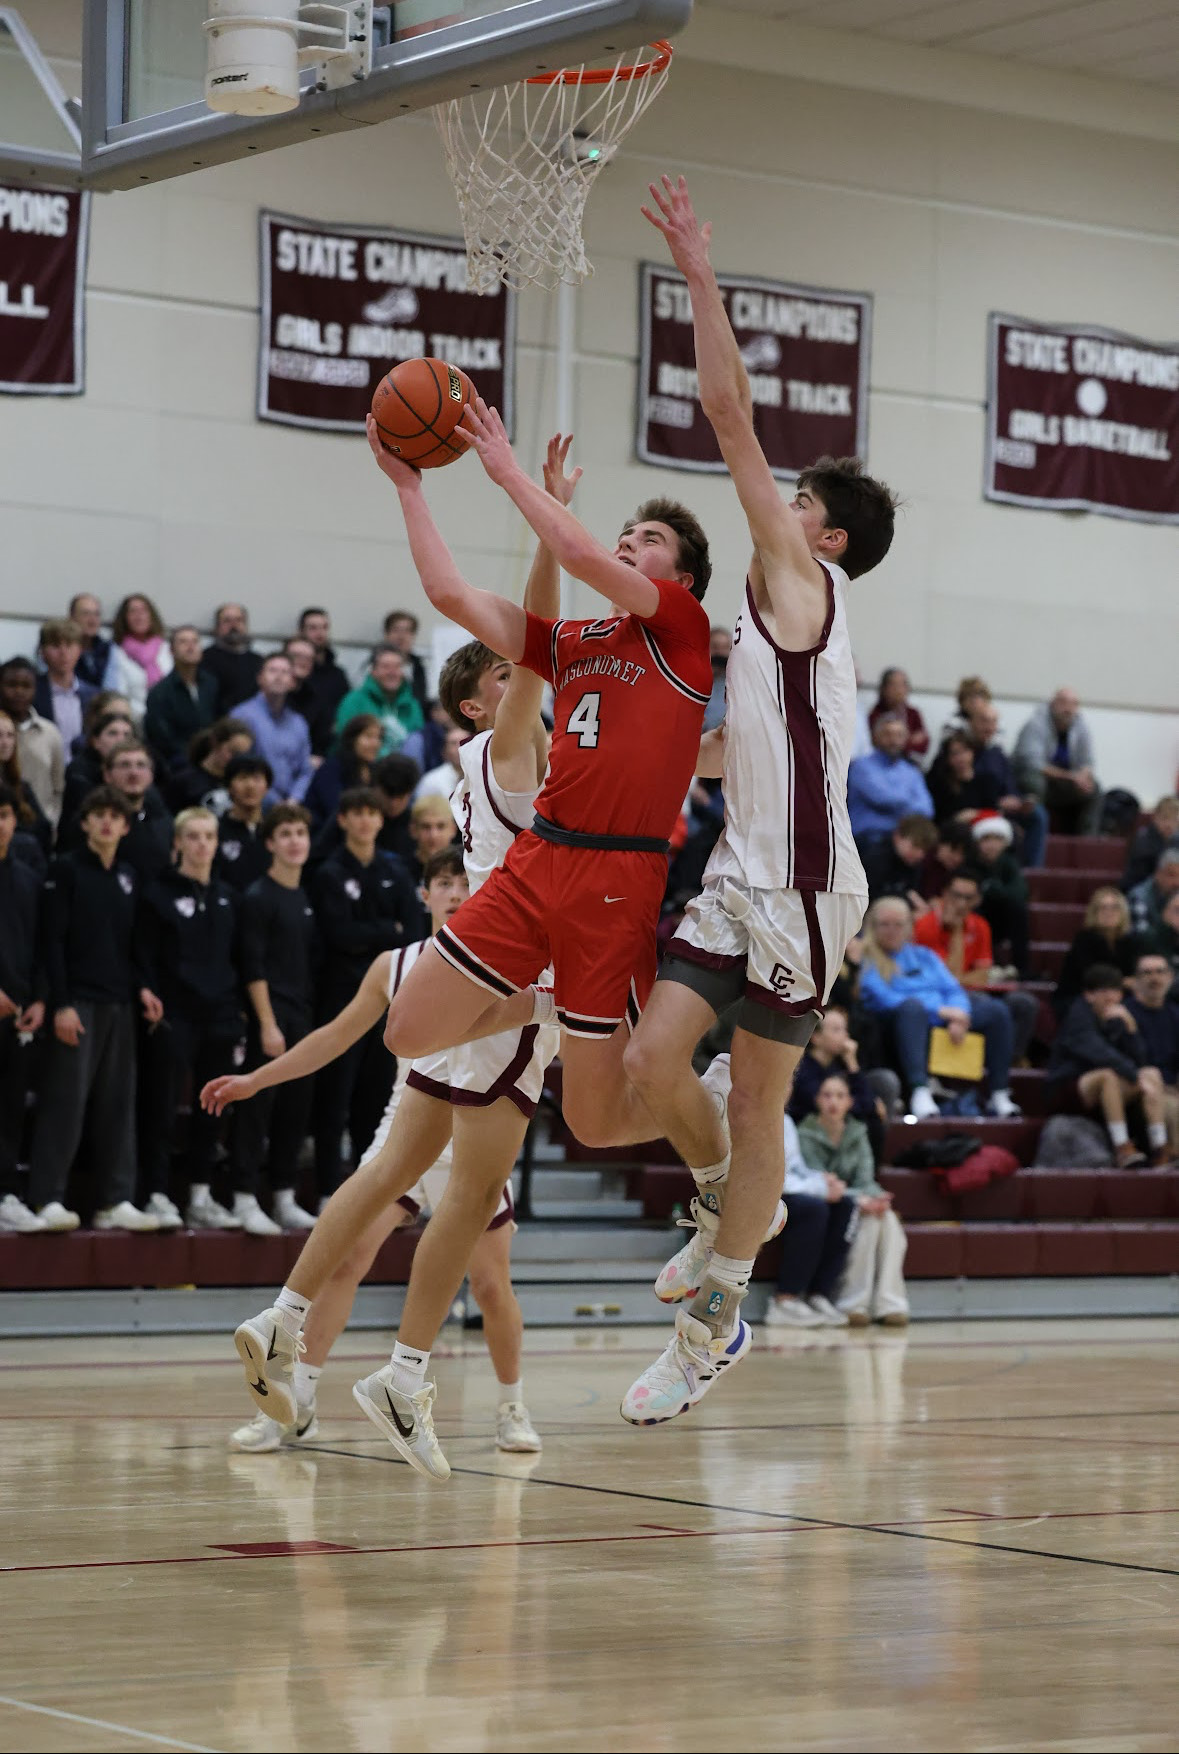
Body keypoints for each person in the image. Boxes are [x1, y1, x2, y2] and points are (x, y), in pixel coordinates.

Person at [211, 449, 573, 1474]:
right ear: (476, 705)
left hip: (466, 960)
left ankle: (287, 1317)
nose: (522, 675)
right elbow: (539, 644)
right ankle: (407, 1371)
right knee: (469, 1195)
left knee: (388, 1176)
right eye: (503, 676)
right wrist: (550, 525)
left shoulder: (468, 767)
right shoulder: (507, 748)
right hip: (510, 969)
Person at [616, 175, 898, 1423]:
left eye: (800, 504)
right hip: (741, 870)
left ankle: (719, 1316)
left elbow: (728, 412)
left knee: (764, 1092)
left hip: (805, 884)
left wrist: (694, 265)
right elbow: (735, 753)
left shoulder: (800, 579)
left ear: (823, 538)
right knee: (651, 1058)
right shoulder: (771, 623)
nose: (776, 504)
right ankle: (734, 1187)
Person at [28, 787, 163, 1232]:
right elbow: (52, 942)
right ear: (84, 823)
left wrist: (144, 988)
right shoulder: (65, 869)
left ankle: (115, 1200)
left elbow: (133, 943)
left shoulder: (128, 874)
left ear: (126, 826)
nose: (107, 823)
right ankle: (47, 1197)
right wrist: (61, 1003)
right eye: (98, 815)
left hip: (119, 1003)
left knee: (118, 1105)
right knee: (64, 1102)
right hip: (78, 1003)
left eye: (115, 817)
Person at [310, 786, 420, 1199]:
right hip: (341, 996)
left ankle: (366, 1194)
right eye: (355, 813)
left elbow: (409, 933)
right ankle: (326, 1191)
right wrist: (382, 932)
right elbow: (338, 935)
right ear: (342, 820)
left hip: (389, 1001)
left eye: (371, 813)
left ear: (381, 819)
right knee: (334, 1100)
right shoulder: (329, 872)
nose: (364, 820)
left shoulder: (395, 870)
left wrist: (373, 935)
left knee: (374, 1101)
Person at [137, 808, 245, 1229]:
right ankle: (156, 1193)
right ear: (178, 842)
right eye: (194, 837)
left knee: (214, 1106)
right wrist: (145, 989)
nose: (202, 844)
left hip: (220, 1015)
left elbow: (239, 959)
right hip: (173, 1014)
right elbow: (143, 955)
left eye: (209, 837)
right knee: (161, 1106)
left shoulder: (228, 897)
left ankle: (201, 1193)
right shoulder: (156, 894)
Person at [227, 804, 321, 1235]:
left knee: (295, 1108)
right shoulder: (257, 897)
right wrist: (266, 1023)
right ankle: (244, 1197)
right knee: (257, 1107)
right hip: (271, 1017)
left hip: (303, 1016)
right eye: (285, 833)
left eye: (300, 832)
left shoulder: (304, 896)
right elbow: (253, 966)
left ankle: (283, 1196)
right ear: (269, 843)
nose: (295, 841)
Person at [857, 896, 1020, 1119]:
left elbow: (953, 989)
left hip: (943, 1016)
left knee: (996, 1010)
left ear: (908, 927)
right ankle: (919, 1090)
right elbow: (884, 998)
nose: (892, 930)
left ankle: (999, 1093)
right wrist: (941, 1011)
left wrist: (960, 1015)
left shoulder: (924, 956)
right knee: (912, 1008)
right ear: (873, 927)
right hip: (901, 1022)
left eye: (898, 924)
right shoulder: (867, 960)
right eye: (885, 924)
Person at [762, 1070, 860, 1329]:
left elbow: (795, 1168)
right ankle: (785, 1299)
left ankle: (818, 1294)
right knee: (814, 1208)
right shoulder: (753, 1120)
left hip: (785, 1192)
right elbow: (772, 1178)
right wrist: (819, 1188)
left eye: (788, 1084)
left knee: (845, 1205)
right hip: (755, 1196)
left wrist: (823, 1179)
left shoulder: (786, 1121)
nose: (785, 1090)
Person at [1047, 962, 1169, 1169]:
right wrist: (1135, 1076)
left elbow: (1141, 1061)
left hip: (1108, 1089)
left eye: (1114, 991)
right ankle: (1122, 1147)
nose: (1110, 997)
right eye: (1103, 992)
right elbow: (1099, 1054)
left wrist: (1130, 1028)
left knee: (1152, 1073)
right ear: (1089, 995)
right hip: (1069, 1085)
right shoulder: (1078, 1016)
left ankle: (1161, 1149)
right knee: (1109, 1075)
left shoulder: (1119, 1016)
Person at [912, 868, 1038, 1061]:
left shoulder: (980, 925)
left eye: (968, 897)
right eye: (956, 896)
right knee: (989, 1006)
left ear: (977, 900)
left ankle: (1010, 1061)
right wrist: (955, 932)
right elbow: (947, 980)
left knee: (1024, 1003)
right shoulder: (925, 926)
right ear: (944, 893)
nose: (961, 903)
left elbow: (983, 974)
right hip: (938, 996)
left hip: (973, 991)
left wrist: (961, 977)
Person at [0, 785, 47, 1234]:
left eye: (4, 815)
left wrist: (39, 998)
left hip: (18, 1015)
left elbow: (42, 946)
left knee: (12, 1105)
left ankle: (7, 1193)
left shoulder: (30, 880)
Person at [787, 1004, 899, 1166]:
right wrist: (869, 1104)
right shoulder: (803, 1070)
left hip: (837, 1130)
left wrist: (852, 1063)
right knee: (867, 1121)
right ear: (816, 1037)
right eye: (836, 1030)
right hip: (808, 1135)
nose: (845, 1036)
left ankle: (868, 1175)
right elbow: (835, 1107)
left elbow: (863, 1103)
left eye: (845, 1029)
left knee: (875, 1108)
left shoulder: (839, 1064)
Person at [963, 698, 1048, 868]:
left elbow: (1010, 784)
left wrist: (1019, 801)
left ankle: (1033, 871)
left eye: (993, 721)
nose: (989, 726)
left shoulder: (997, 753)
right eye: (984, 720)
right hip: (979, 808)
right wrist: (998, 804)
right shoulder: (963, 750)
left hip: (1005, 809)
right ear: (971, 722)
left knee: (1038, 814)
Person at [1014, 687, 1101, 836]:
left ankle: (1087, 842)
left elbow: (1087, 761)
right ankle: (1036, 833)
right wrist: (1072, 777)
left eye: (1074, 704)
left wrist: (1082, 776)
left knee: (1094, 788)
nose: (1068, 709)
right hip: (1035, 779)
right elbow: (1034, 764)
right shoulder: (1035, 724)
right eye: (1063, 703)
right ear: (1053, 704)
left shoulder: (1081, 725)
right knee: (1035, 782)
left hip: (1063, 781)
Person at [1052, 885, 1147, 1017]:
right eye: (1103, 908)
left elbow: (1136, 976)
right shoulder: (1083, 939)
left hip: (1119, 998)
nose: (1109, 912)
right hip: (1081, 998)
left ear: (1123, 913)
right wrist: (1124, 981)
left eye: (1115, 907)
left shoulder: (1130, 942)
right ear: (1094, 913)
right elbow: (1091, 976)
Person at [234, 653, 313, 803]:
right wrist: (274, 803)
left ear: (292, 682)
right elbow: (240, 768)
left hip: (290, 805)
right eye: (272, 670)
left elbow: (305, 770)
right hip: (252, 802)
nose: (279, 677)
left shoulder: (298, 723)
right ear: (260, 678)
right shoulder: (242, 717)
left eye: (285, 672)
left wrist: (294, 799)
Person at [847, 711, 934, 845]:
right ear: (875, 737)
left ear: (906, 738)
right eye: (887, 734)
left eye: (899, 735)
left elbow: (927, 809)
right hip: (868, 840)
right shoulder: (861, 767)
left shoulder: (911, 771)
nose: (893, 740)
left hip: (903, 843)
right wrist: (910, 803)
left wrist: (899, 805)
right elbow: (883, 798)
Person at [1125, 949, 1179, 1160]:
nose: (1154, 978)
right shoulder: (1125, 1013)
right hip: (1141, 1090)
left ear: (1170, 977)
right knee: (1173, 1107)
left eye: (1159, 972)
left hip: (1172, 1087)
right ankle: (1169, 1158)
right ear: (1135, 981)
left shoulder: (1176, 1014)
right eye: (1146, 973)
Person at [0, 656, 65, 824]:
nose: (19, 691)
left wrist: (51, 820)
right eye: (12, 685)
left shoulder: (50, 732)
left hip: (38, 825)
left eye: (26, 686)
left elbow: (58, 787)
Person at [143, 626, 218, 771]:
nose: (190, 647)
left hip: (213, 758)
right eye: (183, 642)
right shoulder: (160, 692)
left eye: (195, 642)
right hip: (178, 764)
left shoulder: (211, 684)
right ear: (171, 651)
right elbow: (162, 739)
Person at [335, 644, 425, 756]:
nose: (392, 673)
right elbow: (347, 742)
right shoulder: (354, 701)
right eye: (386, 667)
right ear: (373, 671)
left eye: (397, 667)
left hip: (405, 769)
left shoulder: (412, 705)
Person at [967, 815, 1030, 976]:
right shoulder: (970, 864)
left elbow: (1019, 893)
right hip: (976, 917)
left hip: (1002, 919)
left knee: (1018, 909)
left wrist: (993, 889)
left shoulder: (1009, 863)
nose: (992, 845)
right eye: (986, 839)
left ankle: (1022, 967)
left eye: (997, 839)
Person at [61, 708, 136, 829]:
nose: (121, 740)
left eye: (127, 735)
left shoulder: (137, 771)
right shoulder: (79, 773)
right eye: (113, 733)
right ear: (95, 741)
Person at [304, 713, 382, 829]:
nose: (375, 743)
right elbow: (335, 810)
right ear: (352, 739)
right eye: (368, 737)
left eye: (378, 738)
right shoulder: (331, 768)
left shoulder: (374, 770)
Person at [165, 716, 254, 815]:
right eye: (233, 752)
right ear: (215, 743)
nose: (237, 759)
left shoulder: (239, 784)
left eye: (243, 755)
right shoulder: (184, 781)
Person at [34, 619, 98, 753]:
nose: (63, 652)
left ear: (79, 650)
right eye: (55, 645)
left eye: (69, 645)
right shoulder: (33, 692)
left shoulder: (94, 695)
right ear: (42, 651)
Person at [105, 594, 171, 720]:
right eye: (133, 611)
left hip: (169, 718)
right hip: (135, 721)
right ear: (124, 618)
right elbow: (117, 694)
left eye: (143, 610)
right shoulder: (117, 652)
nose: (139, 616)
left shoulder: (166, 648)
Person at [214, 754, 274, 892]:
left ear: (267, 787)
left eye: (257, 779)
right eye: (242, 778)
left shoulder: (275, 830)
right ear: (229, 786)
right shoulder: (215, 831)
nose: (250, 785)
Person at [0, 710, 52, 861]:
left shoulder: (21, 786)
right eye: (0, 735)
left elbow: (43, 827)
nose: (5, 743)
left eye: (10, 736)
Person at [926, 731, 1004, 825]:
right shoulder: (940, 784)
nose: (961, 758)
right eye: (955, 754)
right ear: (948, 759)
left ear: (972, 753)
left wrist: (975, 815)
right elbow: (937, 818)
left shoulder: (987, 780)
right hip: (952, 830)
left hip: (983, 827)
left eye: (965, 751)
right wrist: (957, 819)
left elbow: (994, 812)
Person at [859, 812, 938, 906]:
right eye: (915, 846)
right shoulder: (875, 859)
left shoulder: (915, 865)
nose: (920, 855)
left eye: (924, 851)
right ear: (898, 836)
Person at [199, 603, 261, 715]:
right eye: (227, 621)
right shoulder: (204, 659)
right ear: (217, 627)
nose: (234, 625)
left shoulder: (259, 661)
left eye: (239, 620)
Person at [296, 607, 352, 728]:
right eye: (313, 628)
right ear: (301, 632)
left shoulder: (338, 675)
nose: (320, 633)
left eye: (324, 627)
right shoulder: (295, 673)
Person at [282, 636, 336, 759]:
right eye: (297, 656)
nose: (303, 661)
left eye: (309, 658)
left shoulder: (316, 699)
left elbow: (322, 741)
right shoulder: (271, 695)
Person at [868, 667, 928, 761]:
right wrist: (909, 740)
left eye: (903, 685)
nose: (899, 690)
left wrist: (897, 742)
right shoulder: (875, 714)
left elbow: (923, 745)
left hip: (910, 763)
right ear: (884, 689)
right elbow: (877, 744)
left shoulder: (913, 713)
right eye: (894, 685)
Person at [1123, 797, 1179, 894]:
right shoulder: (1143, 839)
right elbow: (1141, 876)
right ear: (1155, 818)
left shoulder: (1176, 839)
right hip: (1140, 888)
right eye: (1165, 818)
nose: (1169, 824)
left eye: (1174, 819)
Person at [407, 791, 460, 886]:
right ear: (413, 830)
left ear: (453, 829)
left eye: (441, 826)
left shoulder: (467, 870)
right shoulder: (400, 872)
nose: (433, 835)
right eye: (426, 826)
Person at [382, 608, 430, 712]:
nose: (401, 636)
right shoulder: (372, 665)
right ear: (386, 634)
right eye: (396, 630)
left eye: (407, 631)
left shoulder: (418, 667)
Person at [1127, 849, 1179, 939]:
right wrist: (1164, 921)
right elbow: (1141, 938)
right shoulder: (1138, 898)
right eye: (1171, 875)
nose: (1176, 882)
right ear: (1158, 874)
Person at [69, 593, 112, 690]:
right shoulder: (60, 648)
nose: (92, 621)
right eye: (86, 614)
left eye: (96, 614)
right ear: (72, 617)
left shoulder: (109, 650)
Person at [416, 724, 465, 803]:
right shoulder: (431, 781)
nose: (459, 748)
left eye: (464, 742)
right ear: (444, 750)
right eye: (453, 743)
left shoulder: (481, 776)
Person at [702, 624, 731, 732]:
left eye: (725, 648)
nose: (720, 653)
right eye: (715, 647)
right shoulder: (692, 683)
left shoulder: (736, 685)